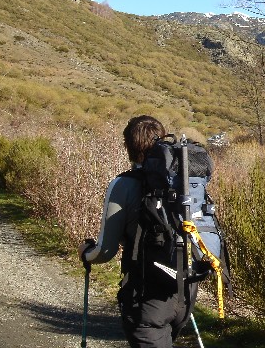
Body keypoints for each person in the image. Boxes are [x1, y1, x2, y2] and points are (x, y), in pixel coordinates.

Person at [78, 115, 197, 348]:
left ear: (129, 146)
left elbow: (105, 251)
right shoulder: (182, 182)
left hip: (146, 297)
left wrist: (86, 253)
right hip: (185, 292)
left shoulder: (124, 184)